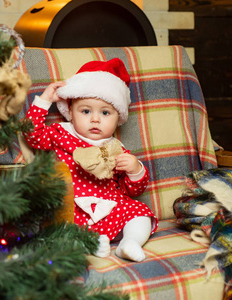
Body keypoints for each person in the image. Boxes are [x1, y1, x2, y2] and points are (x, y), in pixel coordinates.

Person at [24, 58, 158, 262]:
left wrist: (135, 169)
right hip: (73, 207)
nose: (95, 119)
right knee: (59, 227)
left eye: (105, 113)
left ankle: (130, 242)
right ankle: (88, 242)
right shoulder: (60, 134)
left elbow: (132, 191)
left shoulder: (116, 149)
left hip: (111, 207)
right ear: (70, 112)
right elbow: (32, 135)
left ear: (118, 117)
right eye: (86, 111)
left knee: (140, 212)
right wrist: (45, 100)